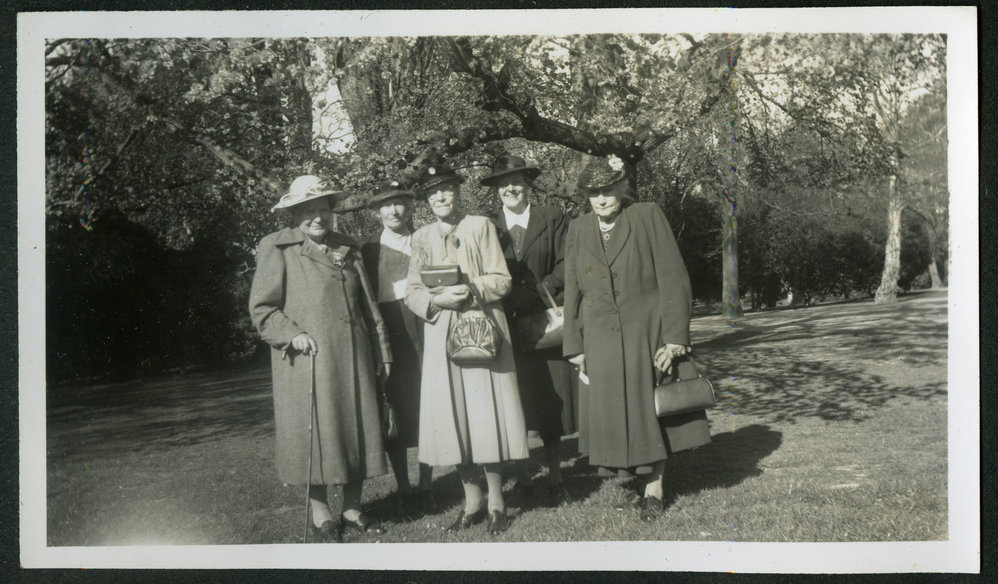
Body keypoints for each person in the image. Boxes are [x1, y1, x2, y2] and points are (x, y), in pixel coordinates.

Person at [562, 156, 711, 522]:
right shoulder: (578, 229)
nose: (601, 199)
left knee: (647, 408)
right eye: (594, 193)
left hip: (646, 330)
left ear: (622, 189)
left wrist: (674, 337)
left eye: (607, 191)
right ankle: (635, 476)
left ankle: (654, 490)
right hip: (599, 339)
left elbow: (673, 277)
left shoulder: (647, 216)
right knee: (615, 412)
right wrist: (575, 345)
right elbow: (572, 291)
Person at [249, 175, 392, 541]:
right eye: (308, 210)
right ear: (294, 213)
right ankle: (321, 513)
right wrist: (291, 334)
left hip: (355, 355)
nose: (318, 217)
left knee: (358, 428)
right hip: (308, 359)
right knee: (314, 433)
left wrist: (381, 350)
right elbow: (263, 308)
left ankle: (352, 508)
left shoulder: (348, 247)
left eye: (324, 209)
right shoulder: (277, 247)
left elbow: (369, 305)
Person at [403, 156, 528, 535]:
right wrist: (437, 300)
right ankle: (471, 500)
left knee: (486, 413)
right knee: (453, 415)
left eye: (446, 189)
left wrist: (471, 290)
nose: (440, 197)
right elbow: (412, 290)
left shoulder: (480, 225)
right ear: (426, 201)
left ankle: (496, 501)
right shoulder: (421, 237)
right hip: (441, 333)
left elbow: (502, 279)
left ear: (457, 192)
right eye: (433, 193)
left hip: (482, 329)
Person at [482, 153, 577, 505]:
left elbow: (568, 261)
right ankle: (522, 477)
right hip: (505, 325)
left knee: (550, 401)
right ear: (496, 190)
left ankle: (555, 475)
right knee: (514, 401)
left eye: (517, 182)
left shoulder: (552, 217)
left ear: (528, 185)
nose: (511, 188)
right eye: (503, 183)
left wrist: (541, 288)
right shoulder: (487, 226)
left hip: (544, 322)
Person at [359, 182, 436, 515]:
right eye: (386, 205)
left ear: (410, 207)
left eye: (399, 203)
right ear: (377, 212)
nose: (393, 211)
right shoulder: (366, 250)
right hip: (389, 331)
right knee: (395, 409)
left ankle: (427, 483)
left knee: (429, 405)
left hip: (426, 326)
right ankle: (403, 486)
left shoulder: (427, 239)